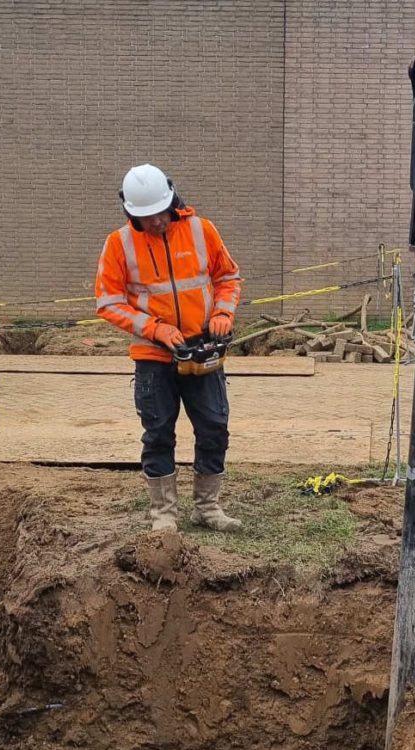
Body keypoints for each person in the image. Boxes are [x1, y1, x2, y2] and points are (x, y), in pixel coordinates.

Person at [95, 163, 245, 533]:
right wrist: (155, 329)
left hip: (202, 349)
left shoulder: (201, 230)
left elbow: (228, 277)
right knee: (158, 431)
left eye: (160, 214)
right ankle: (164, 514)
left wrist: (224, 312)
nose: (156, 223)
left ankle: (207, 508)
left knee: (214, 426)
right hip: (154, 357)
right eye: (146, 218)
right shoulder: (119, 244)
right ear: (131, 213)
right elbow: (108, 301)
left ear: (172, 201)